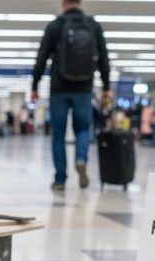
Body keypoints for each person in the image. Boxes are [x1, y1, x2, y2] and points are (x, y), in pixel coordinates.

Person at [31, 0, 111, 190]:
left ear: (63, 3)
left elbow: (42, 57)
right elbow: (104, 58)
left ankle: (60, 179)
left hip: (59, 89)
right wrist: (107, 86)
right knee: (83, 129)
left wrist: (35, 85)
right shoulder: (93, 25)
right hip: (84, 88)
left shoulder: (55, 26)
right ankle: (81, 159)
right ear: (80, 2)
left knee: (58, 134)